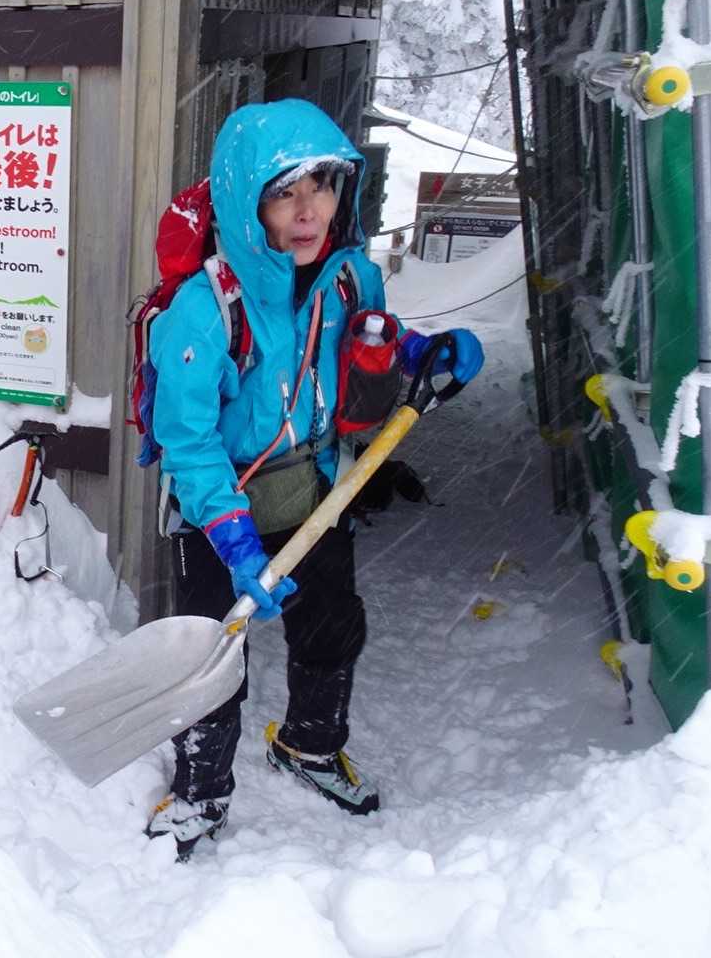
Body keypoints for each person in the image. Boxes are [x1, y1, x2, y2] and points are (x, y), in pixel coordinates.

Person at [142, 99, 484, 859]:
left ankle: (309, 745)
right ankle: (201, 791)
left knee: (332, 626)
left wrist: (420, 352)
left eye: (322, 187)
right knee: (212, 658)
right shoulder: (204, 310)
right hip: (218, 509)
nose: (308, 212)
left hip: (318, 495)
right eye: (284, 194)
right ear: (247, 202)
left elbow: (367, 340)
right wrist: (235, 542)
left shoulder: (350, 277)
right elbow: (188, 442)